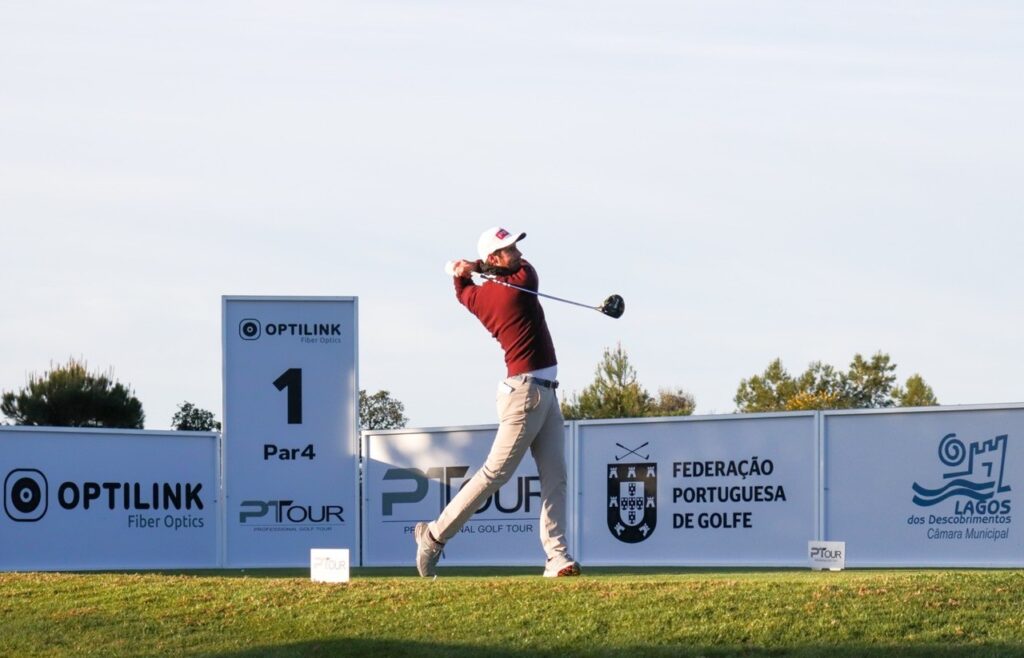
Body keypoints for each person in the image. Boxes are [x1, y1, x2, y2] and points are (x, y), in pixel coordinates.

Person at [414, 227, 580, 578]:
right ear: (494, 259)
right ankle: (434, 535)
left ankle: (557, 558)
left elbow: (462, 292)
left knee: (556, 478)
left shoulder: (479, 295)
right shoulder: (516, 290)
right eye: (508, 250)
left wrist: (465, 272)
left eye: (516, 247)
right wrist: (476, 266)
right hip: (525, 394)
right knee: (494, 474)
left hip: (545, 392)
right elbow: (526, 271)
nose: (518, 253)